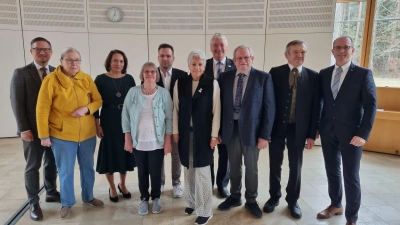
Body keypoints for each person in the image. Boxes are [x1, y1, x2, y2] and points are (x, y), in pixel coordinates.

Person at [36, 47, 104, 219]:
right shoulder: (50, 80)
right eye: (69, 60)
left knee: (88, 168)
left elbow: (98, 100)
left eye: (77, 60)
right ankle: (67, 202)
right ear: (61, 61)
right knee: (65, 171)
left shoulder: (86, 78)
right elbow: (42, 109)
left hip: (87, 134)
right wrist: (44, 135)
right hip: (62, 135)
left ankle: (88, 197)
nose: (74, 63)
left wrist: (86, 109)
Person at [317, 36, 377, 225]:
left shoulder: (362, 74)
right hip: (328, 131)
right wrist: (318, 126)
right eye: (338, 47)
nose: (342, 51)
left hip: (352, 135)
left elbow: (370, 105)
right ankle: (336, 205)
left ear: (353, 50)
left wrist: (363, 133)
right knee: (332, 171)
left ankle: (352, 218)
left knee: (351, 176)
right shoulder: (324, 73)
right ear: (332, 51)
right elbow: (320, 102)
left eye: (346, 47)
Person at [217, 45, 275, 219]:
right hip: (230, 129)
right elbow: (219, 106)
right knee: (234, 166)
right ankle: (235, 196)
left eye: (246, 57)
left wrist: (265, 135)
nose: (243, 61)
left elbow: (269, 108)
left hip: (253, 131)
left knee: (251, 168)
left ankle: (251, 200)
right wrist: (218, 131)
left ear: (252, 59)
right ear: (233, 60)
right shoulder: (224, 77)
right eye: (239, 58)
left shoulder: (263, 77)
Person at [264, 40, 319, 219]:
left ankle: (293, 200)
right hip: (277, 128)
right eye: (295, 52)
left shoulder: (313, 76)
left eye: (303, 52)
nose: (299, 55)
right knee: (275, 164)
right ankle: (274, 197)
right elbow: (268, 103)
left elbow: (316, 107)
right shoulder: (275, 72)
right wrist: (266, 131)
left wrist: (311, 134)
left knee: (296, 166)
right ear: (286, 54)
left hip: (299, 130)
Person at [10, 37, 60, 221]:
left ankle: (51, 191)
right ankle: (33, 202)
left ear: (51, 52)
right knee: (33, 166)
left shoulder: (57, 72)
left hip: (53, 129)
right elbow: (17, 102)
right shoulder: (21, 73)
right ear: (31, 51)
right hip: (31, 130)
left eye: (46, 49)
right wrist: (23, 128)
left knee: (52, 162)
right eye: (38, 49)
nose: (42, 52)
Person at [173, 50, 220, 225]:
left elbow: (217, 112)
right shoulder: (181, 83)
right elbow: (175, 109)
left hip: (204, 135)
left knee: (203, 173)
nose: (197, 67)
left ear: (205, 66)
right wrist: (175, 131)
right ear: (188, 65)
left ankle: (206, 210)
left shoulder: (212, 84)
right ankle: (191, 203)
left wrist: (214, 135)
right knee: (189, 169)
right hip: (186, 134)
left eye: (200, 64)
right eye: (194, 64)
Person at [122, 62, 172, 215]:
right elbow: (125, 116)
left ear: (156, 75)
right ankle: (144, 198)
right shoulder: (133, 92)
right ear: (142, 74)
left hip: (157, 141)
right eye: (146, 72)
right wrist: (127, 139)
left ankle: (156, 198)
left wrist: (168, 141)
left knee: (156, 172)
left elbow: (169, 118)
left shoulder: (164, 93)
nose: (150, 74)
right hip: (139, 141)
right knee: (142, 172)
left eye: (152, 72)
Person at [95, 50, 136, 202]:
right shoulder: (100, 79)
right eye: (115, 61)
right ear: (109, 62)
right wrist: (97, 124)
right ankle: (112, 186)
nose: (118, 64)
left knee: (124, 153)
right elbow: (94, 103)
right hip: (108, 119)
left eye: (121, 61)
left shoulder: (129, 79)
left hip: (126, 120)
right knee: (110, 154)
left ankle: (122, 184)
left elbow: (134, 102)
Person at [204, 33, 235, 198]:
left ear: (227, 47)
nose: (218, 48)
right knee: (208, 152)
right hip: (206, 119)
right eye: (215, 45)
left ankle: (222, 185)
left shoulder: (235, 65)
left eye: (222, 45)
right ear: (211, 48)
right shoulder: (203, 65)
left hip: (227, 119)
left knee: (225, 154)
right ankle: (207, 184)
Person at [156, 43, 188, 197]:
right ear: (158, 57)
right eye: (162, 55)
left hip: (176, 122)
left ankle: (176, 183)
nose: (165, 59)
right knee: (158, 155)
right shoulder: (150, 74)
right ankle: (160, 182)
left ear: (173, 58)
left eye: (168, 56)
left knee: (176, 154)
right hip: (156, 123)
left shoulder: (182, 76)